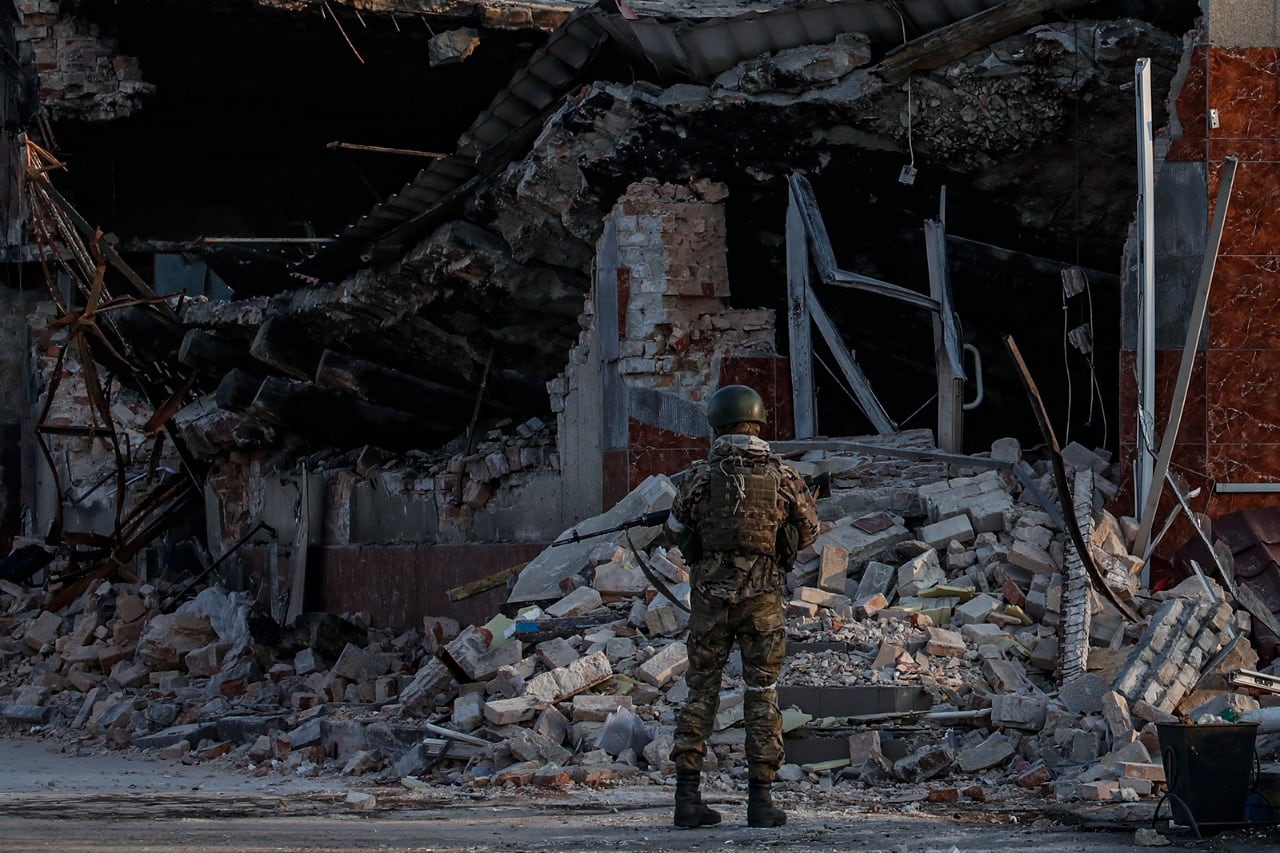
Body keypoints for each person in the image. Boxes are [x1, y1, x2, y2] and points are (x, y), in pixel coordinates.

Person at [665, 384, 820, 828]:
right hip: (763, 604)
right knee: (762, 694)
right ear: (757, 422)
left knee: (701, 693)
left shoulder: (697, 476)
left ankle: (687, 798)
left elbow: (676, 529)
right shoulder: (783, 476)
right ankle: (760, 801)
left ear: (717, 423)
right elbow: (809, 532)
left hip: (711, 602)